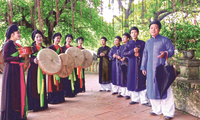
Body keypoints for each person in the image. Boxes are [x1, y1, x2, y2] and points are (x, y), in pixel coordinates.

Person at [140, 20, 175, 120]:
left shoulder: (165, 40)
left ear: (159, 29)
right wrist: (143, 67)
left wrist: (165, 54)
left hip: (161, 69)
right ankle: (156, 110)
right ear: (149, 30)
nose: (153, 29)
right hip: (150, 70)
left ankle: (168, 112)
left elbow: (171, 50)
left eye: (155, 27)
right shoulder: (148, 42)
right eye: (151, 28)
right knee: (152, 89)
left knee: (164, 89)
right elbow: (145, 55)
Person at [1, 24, 28, 120]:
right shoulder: (7, 44)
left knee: (18, 92)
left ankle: (18, 114)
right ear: (12, 34)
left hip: (17, 71)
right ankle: (11, 116)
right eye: (18, 32)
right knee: (12, 92)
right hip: (11, 71)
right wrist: (18, 57)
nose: (19, 34)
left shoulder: (16, 45)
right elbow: (5, 58)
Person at [123, 27, 150, 107]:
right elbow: (124, 53)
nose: (133, 34)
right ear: (130, 34)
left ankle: (144, 100)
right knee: (133, 80)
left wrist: (139, 54)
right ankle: (134, 99)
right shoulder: (128, 44)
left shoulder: (142, 43)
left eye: (135, 32)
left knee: (141, 80)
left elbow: (146, 53)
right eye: (132, 32)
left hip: (140, 65)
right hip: (131, 65)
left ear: (138, 33)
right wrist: (132, 51)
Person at [27, 30, 48, 111]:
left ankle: (42, 104)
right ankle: (34, 105)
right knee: (33, 87)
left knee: (42, 85)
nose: (39, 38)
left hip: (42, 69)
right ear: (34, 38)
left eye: (40, 36)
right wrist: (33, 60)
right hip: (33, 70)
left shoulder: (44, 49)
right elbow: (27, 59)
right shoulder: (31, 49)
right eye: (37, 37)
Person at [48, 32, 65, 104]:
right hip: (52, 68)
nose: (58, 40)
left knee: (60, 83)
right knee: (52, 83)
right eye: (57, 38)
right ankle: (53, 99)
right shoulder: (50, 48)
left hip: (59, 68)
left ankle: (60, 98)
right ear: (53, 39)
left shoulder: (61, 49)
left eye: (59, 38)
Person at [117, 33, 131, 99]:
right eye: (122, 37)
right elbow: (119, 54)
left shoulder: (130, 45)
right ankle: (123, 92)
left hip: (128, 64)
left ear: (128, 38)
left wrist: (126, 58)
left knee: (128, 78)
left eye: (124, 37)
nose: (123, 39)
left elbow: (131, 54)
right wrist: (119, 57)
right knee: (122, 78)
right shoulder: (121, 47)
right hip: (122, 64)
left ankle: (128, 93)